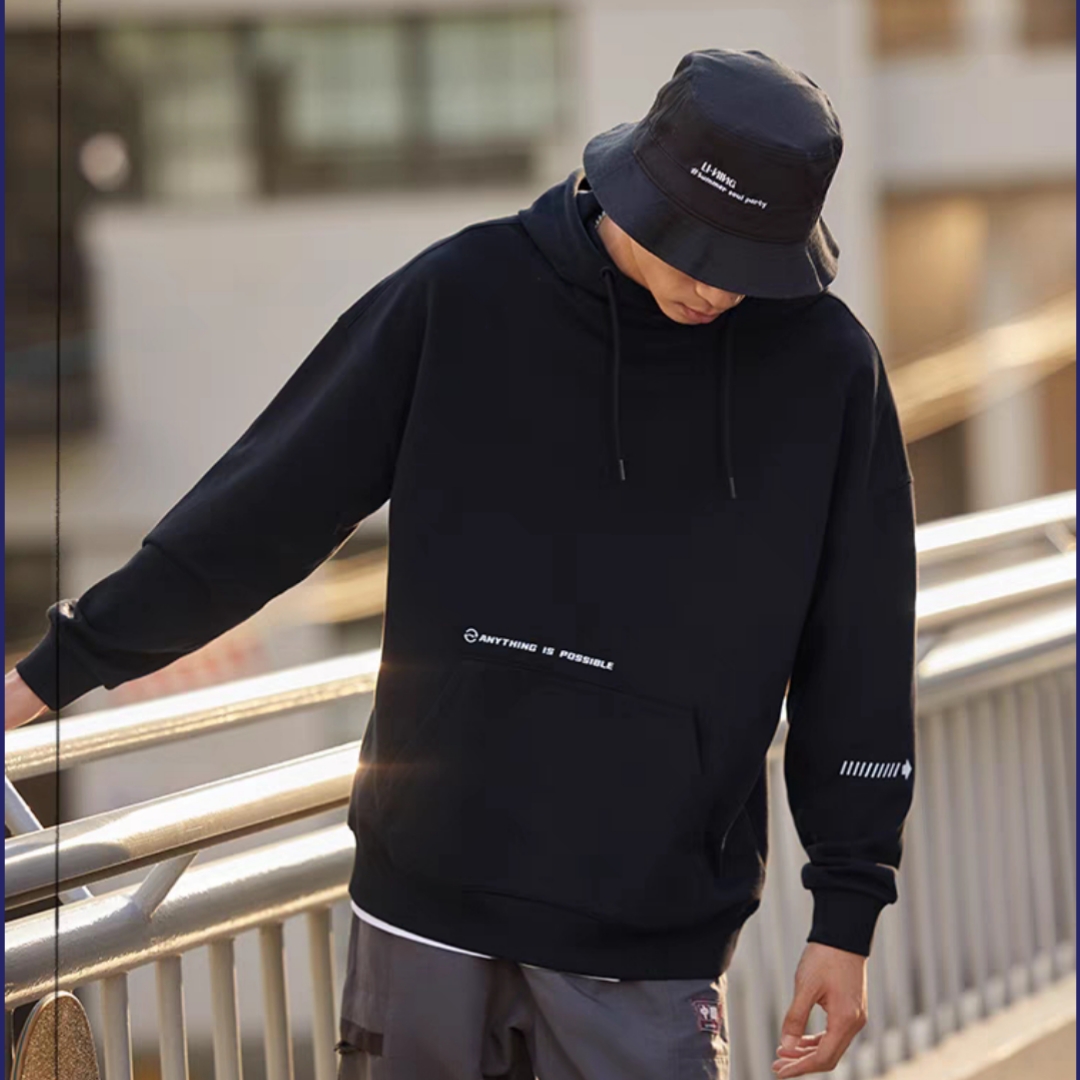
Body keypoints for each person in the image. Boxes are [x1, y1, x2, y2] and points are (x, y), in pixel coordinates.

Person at [5, 48, 917, 1080]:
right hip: (426, 903)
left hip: (647, 928)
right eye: (701, 248)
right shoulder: (465, 295)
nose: (718, 286)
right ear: (641, 188)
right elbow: (265, 507)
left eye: (751, 263)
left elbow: (859, 649)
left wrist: (847, 910)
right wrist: (52, 671)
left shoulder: (826, 372)